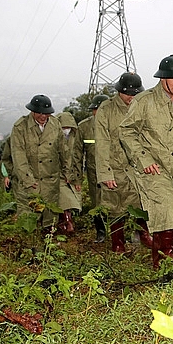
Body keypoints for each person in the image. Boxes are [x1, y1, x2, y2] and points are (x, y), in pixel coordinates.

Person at [119, 54, 173, 270]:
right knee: (168, 211)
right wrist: (143, 159)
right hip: (153, 168)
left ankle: (160, 259)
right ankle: (165, 260)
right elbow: (126, 131)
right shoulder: (144, 101)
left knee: (171, 212)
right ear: (163, 78)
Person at [95, 73, 152, 253]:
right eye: (128, 94)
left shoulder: (142, 106)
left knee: (143, 203)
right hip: (115, 166)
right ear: (120, 91)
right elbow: (102, 142)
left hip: (137, 166)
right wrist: (105, 173)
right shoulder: (106, 109)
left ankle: (142, 235)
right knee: (115, 207)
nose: (131, 97)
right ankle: (117, 244)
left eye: (135, 94)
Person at [10, 95, 69, 232]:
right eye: (40, 113)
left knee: (49, 218)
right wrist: (28, 179)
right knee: (29, 218)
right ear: (32, 111)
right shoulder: (20, 127)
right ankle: (30, 247)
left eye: (46, 113)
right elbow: (19, 156)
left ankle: (48, 246)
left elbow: (64, 151)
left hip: (50, 180)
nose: (43, 116)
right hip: (31, 181)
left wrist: (67, 172)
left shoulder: (55, 124)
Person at [77, 94, 109, 243]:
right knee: (96, 203)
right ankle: (100, 231)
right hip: (93, 172)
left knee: (116, 202)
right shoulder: (84, 127)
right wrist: (76, 176)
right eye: (97, 109)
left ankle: (119, 233)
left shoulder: (117, 124)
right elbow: (76, 153)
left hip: (114, 170)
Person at [56, 112, 82, 235]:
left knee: (72, 199)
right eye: (63, 128)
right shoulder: (54, 138)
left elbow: (78, 158)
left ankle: (67, 222)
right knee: (63, 199)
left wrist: (76, 177)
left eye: (68, 128)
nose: (66, 130)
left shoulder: (75, 138)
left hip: (73, 174)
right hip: (58, 174)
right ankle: (67, 222)